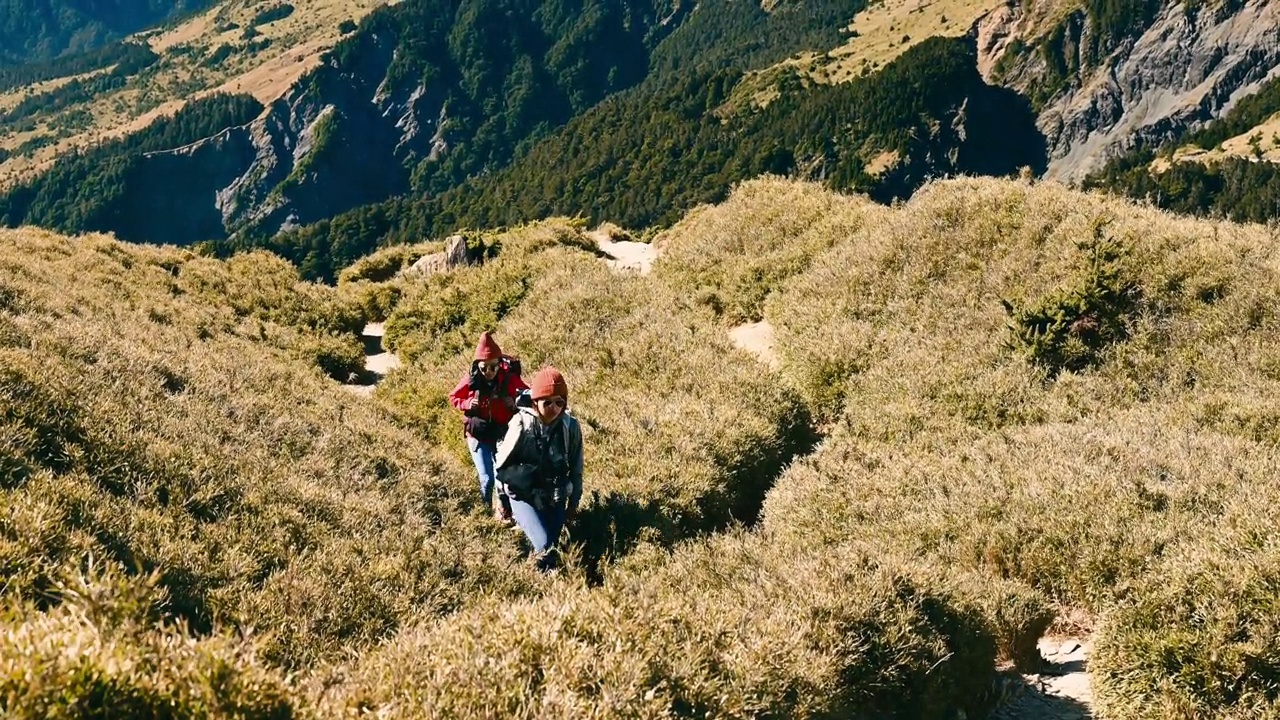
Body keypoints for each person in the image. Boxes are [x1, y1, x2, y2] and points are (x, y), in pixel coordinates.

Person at [494, 366, 583, 571]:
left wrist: (573, 504)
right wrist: (502, 502)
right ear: (535, 402)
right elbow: (501, 465)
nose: (554, 408)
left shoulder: (570, 427)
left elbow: (577, 468)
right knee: (545, 546)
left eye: (559, 402)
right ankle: (535, 584)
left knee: (551, 549)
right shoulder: (521, 424)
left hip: (556, 496)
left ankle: (542, 587)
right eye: (547, 402)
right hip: (523, 495)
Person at [448, 332, 527, 523]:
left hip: (501, 434)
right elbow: (453, 397)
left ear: (501, 363)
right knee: (487, 478)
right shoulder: (471, 380)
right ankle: (483, 515)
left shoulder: (509, 378)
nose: (489, 371)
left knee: (503, 476)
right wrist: (467, 404)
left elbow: (528, 394)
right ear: (477, 366)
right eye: (484, 367)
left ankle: (504, 512)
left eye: (494, 366)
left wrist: (515, 402)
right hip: (478, 436)